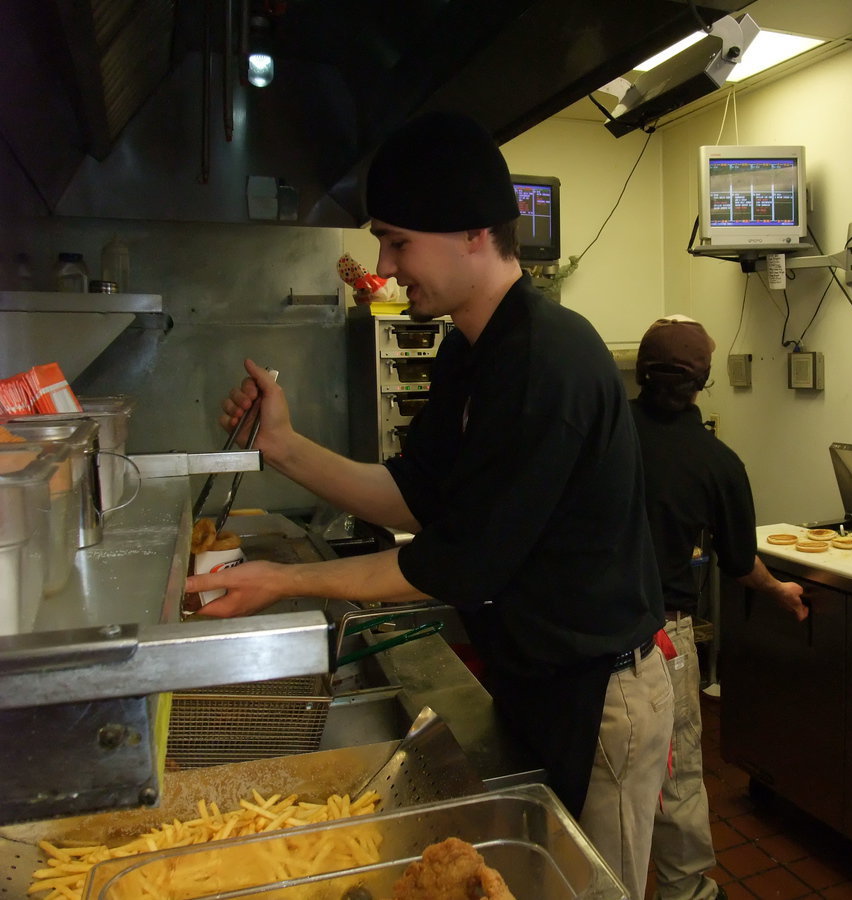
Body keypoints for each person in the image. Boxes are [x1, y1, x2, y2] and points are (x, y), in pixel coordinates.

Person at [186, 110, 673, 900]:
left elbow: (457, 562)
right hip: (534, 678)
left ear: (473, 233)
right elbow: (412, 495)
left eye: (398, 241)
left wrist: (283, 582)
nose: (383, 263)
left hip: (598, 697)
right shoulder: (467, 349)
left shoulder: (548, 360)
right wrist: (284, 446)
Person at [630, 315, 808, 900]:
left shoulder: (600, 437)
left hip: (590, 634)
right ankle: (687, 893)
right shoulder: (716, 462)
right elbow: (738, 562)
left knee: (605, 780)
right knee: (675, 776)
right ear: (704, 382)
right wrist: (779, 589)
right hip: (661, 642)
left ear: (639, 372)